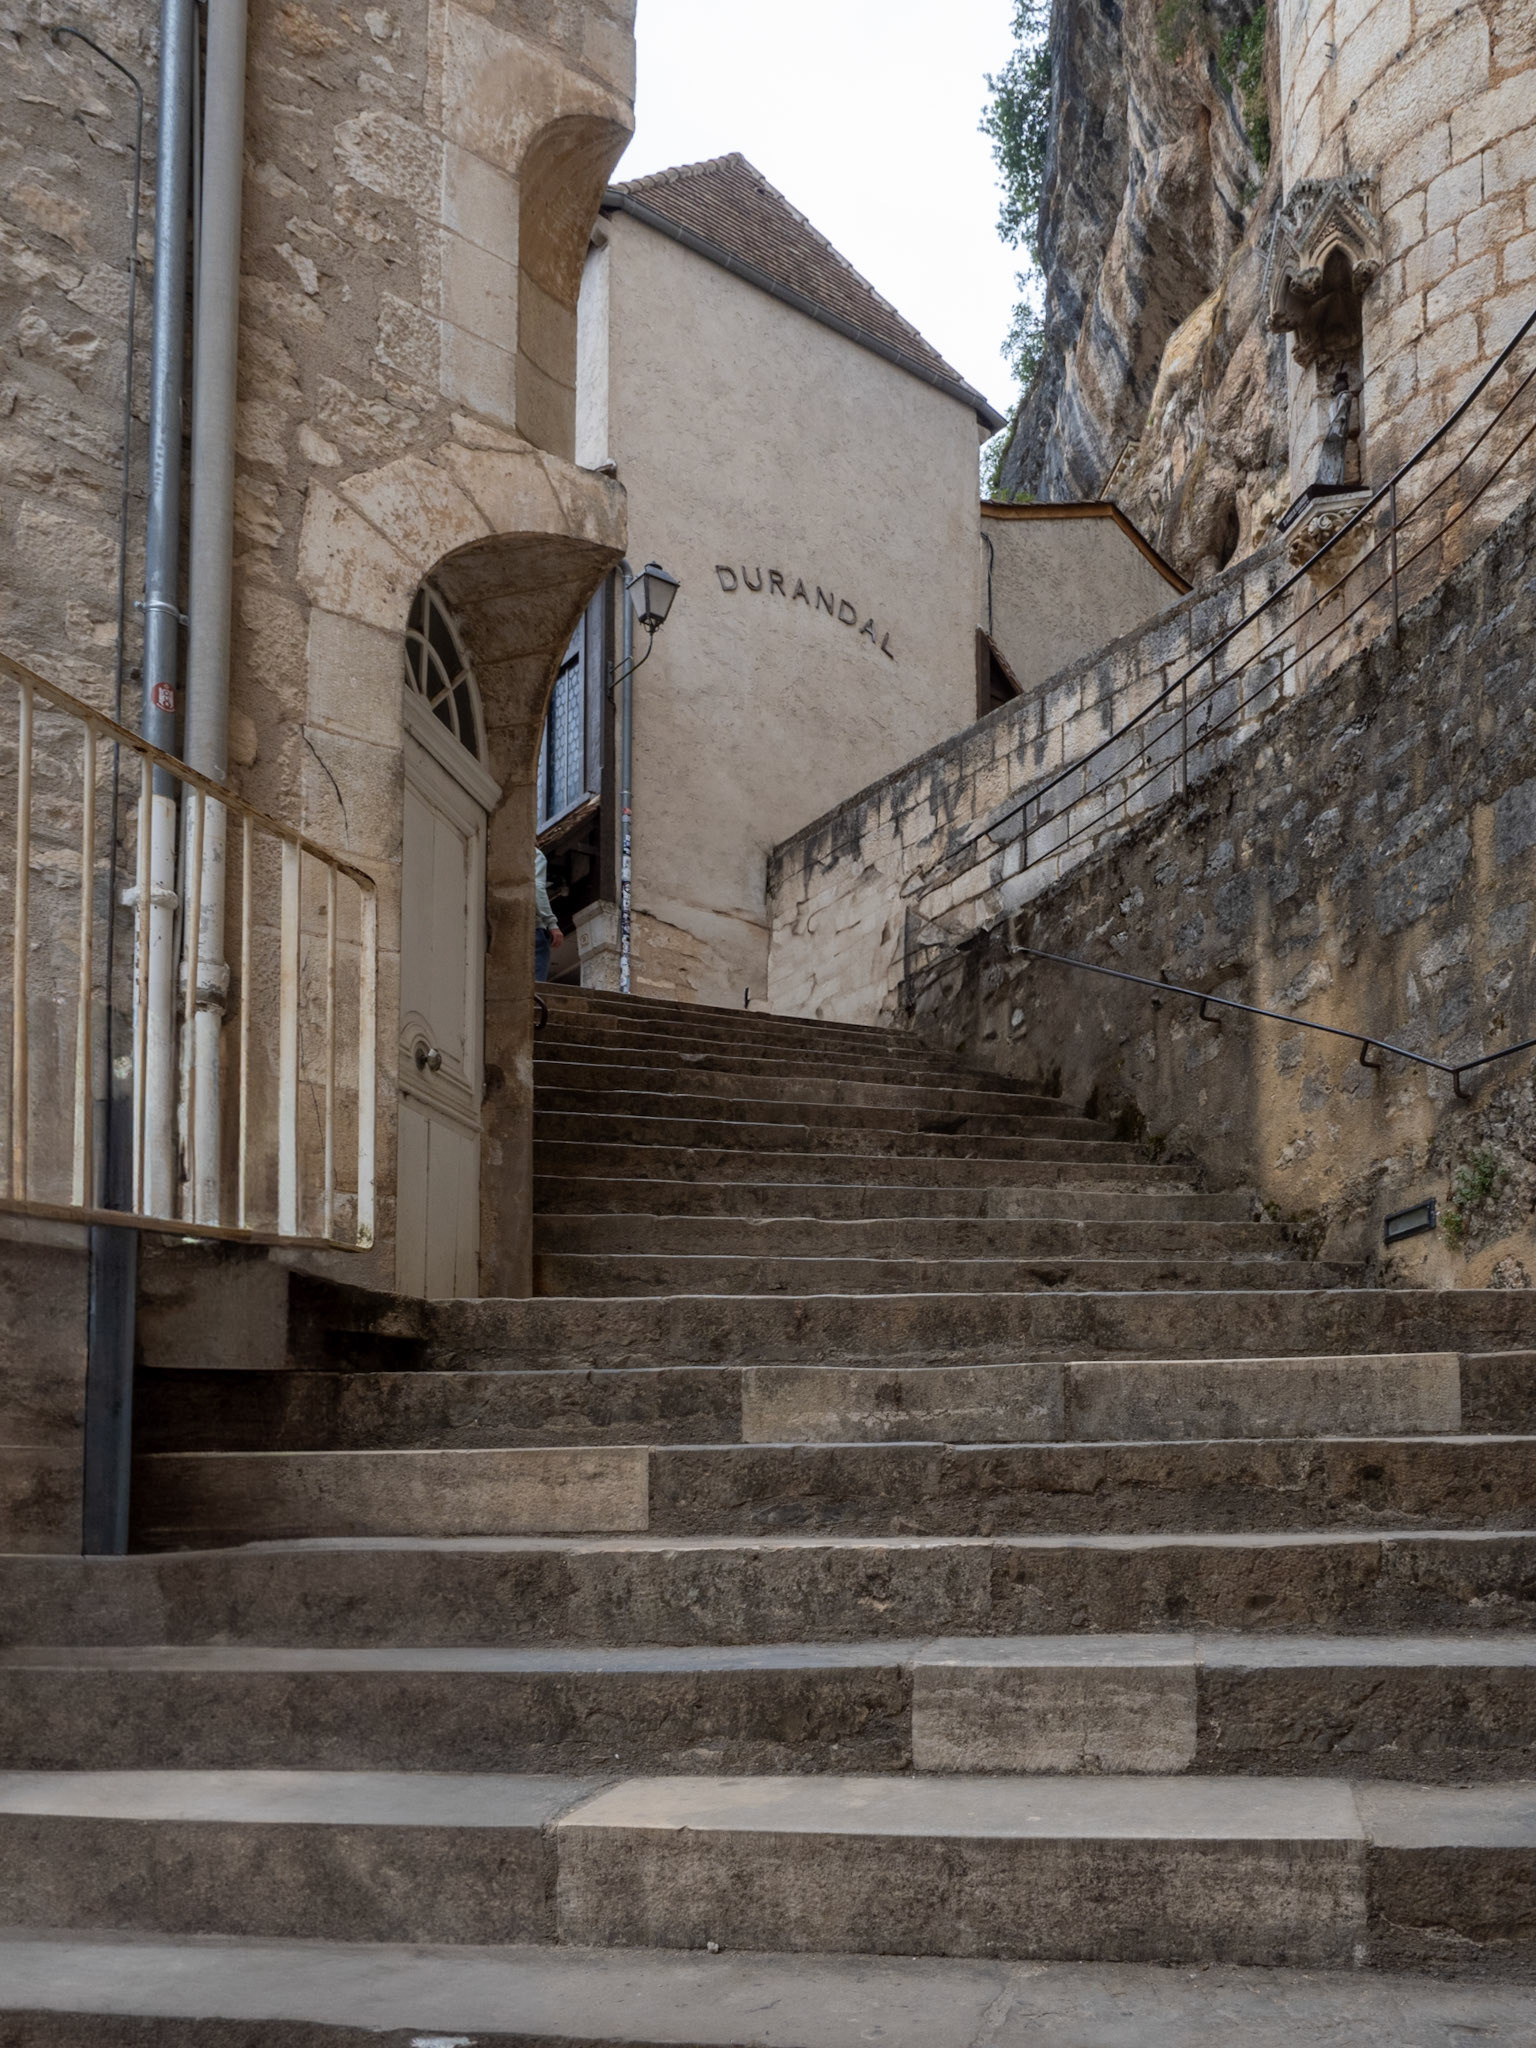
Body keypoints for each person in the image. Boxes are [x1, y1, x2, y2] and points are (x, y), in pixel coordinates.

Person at [534, 847, 564, 981]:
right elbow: (537, 887)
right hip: (533, 928)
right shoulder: (534, 854)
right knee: (535, 987)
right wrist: (552, 924)